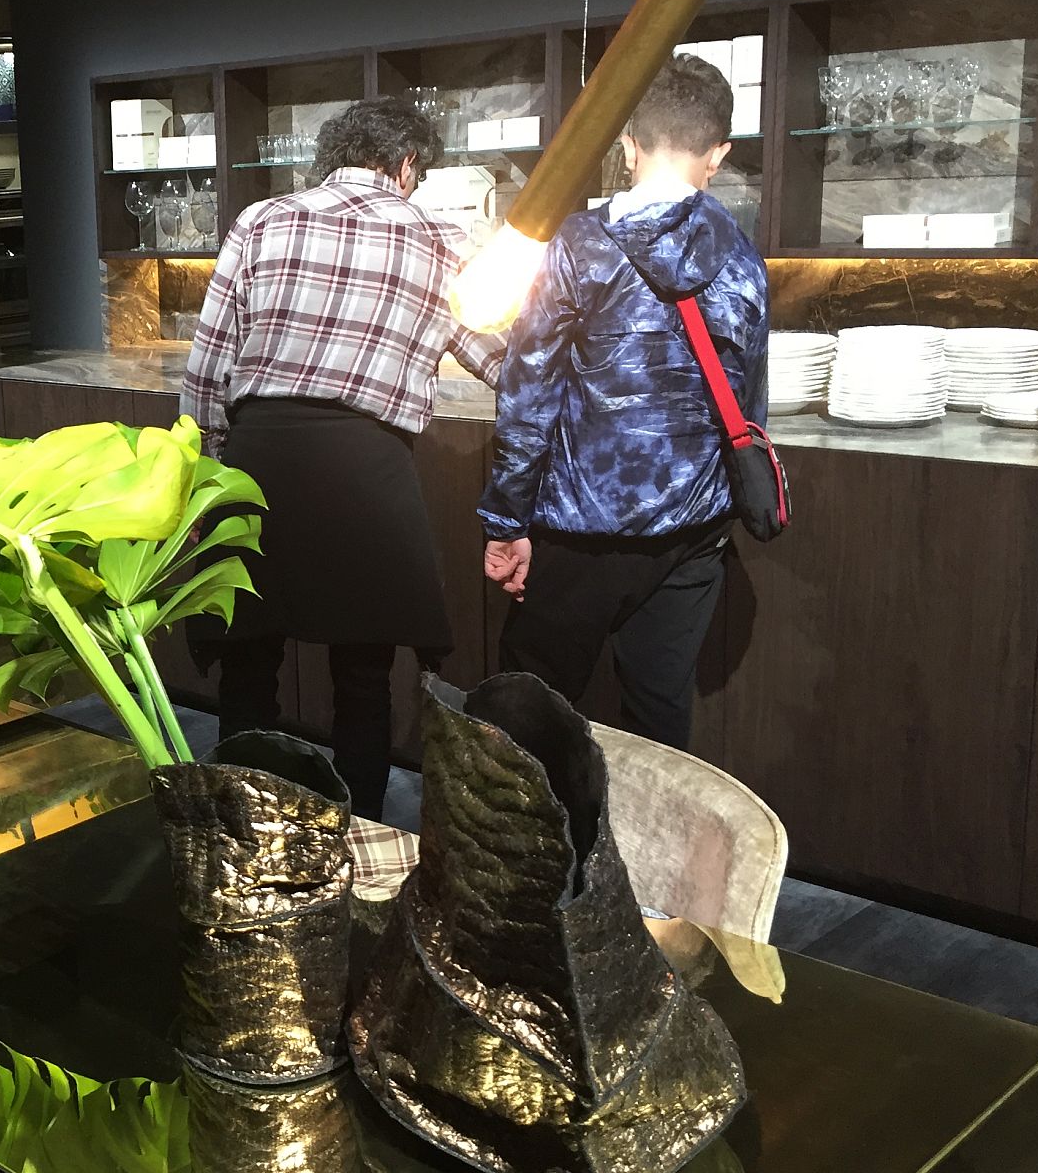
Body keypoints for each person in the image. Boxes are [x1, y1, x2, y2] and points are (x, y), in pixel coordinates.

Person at [181, 97, 505, 823]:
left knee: (249, 659)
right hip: (368, 470)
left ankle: (244, 827)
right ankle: (358, 833)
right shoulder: (444, 239)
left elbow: (206, 371)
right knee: (363, 674)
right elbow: (502, 360)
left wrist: (203, 486)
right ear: (407, 164)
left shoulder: (261, 220)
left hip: (259, 459)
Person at [478, 54, 769, 750]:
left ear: (629, 145)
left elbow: (528, 396)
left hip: (583, 530)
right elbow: (749, 403)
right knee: (658, 724)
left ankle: (526, 857)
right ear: (719, 155)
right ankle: (643, 859)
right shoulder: (744, 257)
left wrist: (505, 520)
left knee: (526, 716)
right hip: (695, 534)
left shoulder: (577, 245)